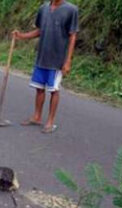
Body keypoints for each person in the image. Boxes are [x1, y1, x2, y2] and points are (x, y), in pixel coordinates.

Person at [13, 0, 79, 133]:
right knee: (39, 88)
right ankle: (37, 117)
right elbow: (39, 30)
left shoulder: (71, 10)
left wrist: (68, 61)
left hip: (57, 59)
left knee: (53, 90)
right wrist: (21, 36)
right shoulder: (43, 8)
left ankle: (50, 121)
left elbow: (73, 36)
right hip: (42, 56)